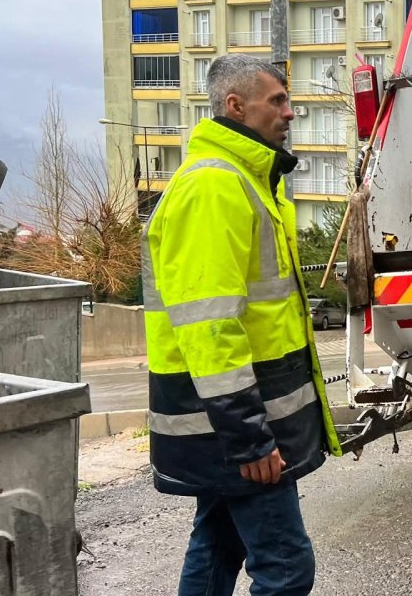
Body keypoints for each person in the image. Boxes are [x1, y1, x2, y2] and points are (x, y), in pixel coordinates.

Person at [141, 53, 343, 596]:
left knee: (217, 548)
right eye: (277, 100)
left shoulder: (245, 181)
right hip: (234, 429)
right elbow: (209, 327)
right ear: (236, 106)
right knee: (284, 569)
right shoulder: (214, 187)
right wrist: (250, 439)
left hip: (227, 425)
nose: (291, 112)